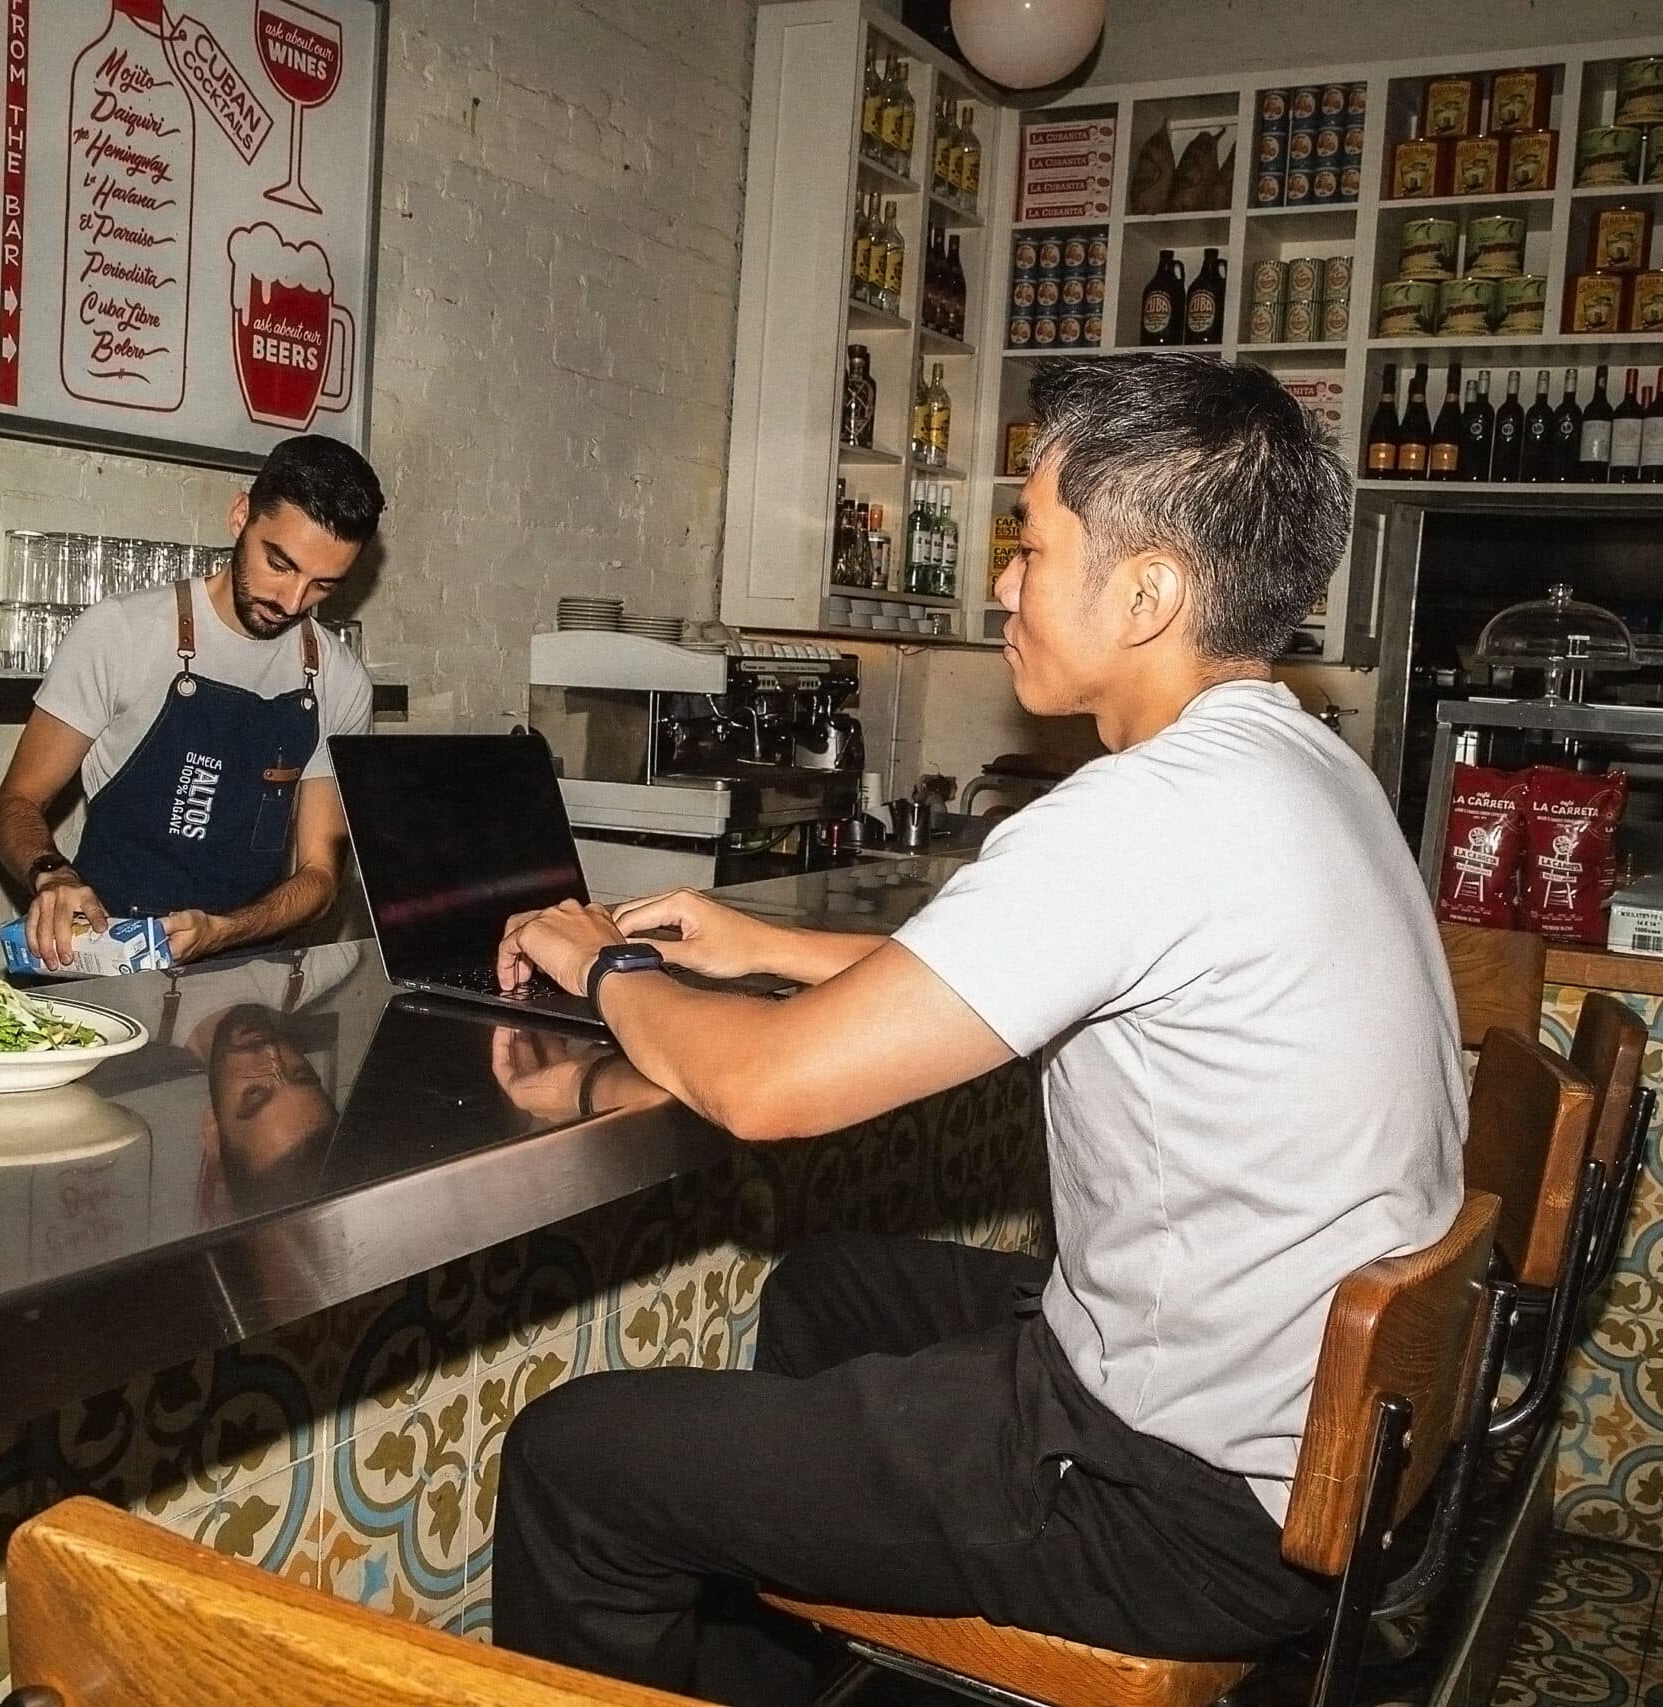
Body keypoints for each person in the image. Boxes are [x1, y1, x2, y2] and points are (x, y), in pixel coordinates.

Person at [486, 353, 1468, 1703]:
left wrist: (601, 968)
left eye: (1032, 541)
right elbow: (1031, 967)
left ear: (1149, 590)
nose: (1002, 580)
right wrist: (766, 943)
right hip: (1310, 1446)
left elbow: (770, 1089)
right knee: (824, 1287)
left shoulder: (1147, 812)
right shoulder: (1302, 764)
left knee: (575, 1458)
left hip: (1179, 1501)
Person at [0, 435, 385, 969]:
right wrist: (52, 876)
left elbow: (318, 877)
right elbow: (15, 805)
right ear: (241, 515)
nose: (290, 602)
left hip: (248, 976)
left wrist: (224, 931)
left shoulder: (339, 681)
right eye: (280, 564)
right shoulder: (121, 634)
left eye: (322, 586)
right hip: (111, 960)